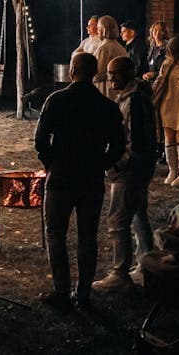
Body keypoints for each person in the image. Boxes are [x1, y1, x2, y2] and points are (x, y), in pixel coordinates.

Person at [34, 52, 125, 311]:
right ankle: (83, 293)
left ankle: (62, 290)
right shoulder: (107, 106)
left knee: (55, 233)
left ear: (72, 70)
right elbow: (118, 144)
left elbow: (40, 140)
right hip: (91, 178)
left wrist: (51, 163)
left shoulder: (57, 100)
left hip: (61, 176)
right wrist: (102, 163)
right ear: (95, 74)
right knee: (87, 237)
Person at [92, 56, 156, 292]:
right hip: (138, 164)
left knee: (118, 219)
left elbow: (137, 140)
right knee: (138, 213)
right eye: (108, 73)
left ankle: (120, 272)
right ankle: (146, 262)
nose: (110, 79)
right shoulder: (132, 97)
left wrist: (118, 164)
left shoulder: (136, 100)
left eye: (115, 73)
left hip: (132, 167)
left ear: (129, 72)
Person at [152, 36, 179, 187]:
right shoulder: (167, 63)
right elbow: (160, 79)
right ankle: (173, 170)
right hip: (169, 101)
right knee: (168, 135)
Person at [91, 16, 127, 97]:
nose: (97, 31)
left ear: (103, 29)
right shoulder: (121, 47)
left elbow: (99, 74)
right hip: (120, 91)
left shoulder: (104, 49)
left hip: (106, 92)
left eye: (98, 28)